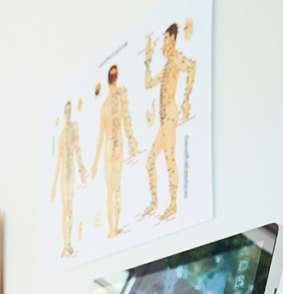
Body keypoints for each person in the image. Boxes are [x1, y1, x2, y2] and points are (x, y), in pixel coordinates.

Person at [142, 22, 196, 220]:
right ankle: (156, 201)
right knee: (151, 162)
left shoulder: (175, 59)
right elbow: (148, 84)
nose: (163, 43)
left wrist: (186, 99)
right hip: (165, 118)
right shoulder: (167, 65)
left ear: (172, 39)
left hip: (170, 115)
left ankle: (173, 204)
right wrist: (148, 59)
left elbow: (191, 67)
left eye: (166, 39)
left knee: (168, 160)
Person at [90, 65, 139, 238]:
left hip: (109, 145)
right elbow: (125, 122)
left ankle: (113, 229)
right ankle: (114, 227)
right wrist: (131, 142)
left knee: (111, 191)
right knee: (115, 190)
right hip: (115, 144)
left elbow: (102, 137)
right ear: (115, 79)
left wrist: (95, 162)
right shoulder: (118, 98)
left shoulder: (106, 104)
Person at [50, 101, 86, 257]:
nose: (69, 114)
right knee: (65, 211)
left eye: (70, 111)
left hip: (71, 174)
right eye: (67, 111)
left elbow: (77, 150)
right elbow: (58, 161)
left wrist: (82, 168)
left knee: (70, 209)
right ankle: (65, 245)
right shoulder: (61, 136)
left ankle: (69, 244)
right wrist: (53, 185)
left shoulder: (74, 128)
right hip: (64, 176)